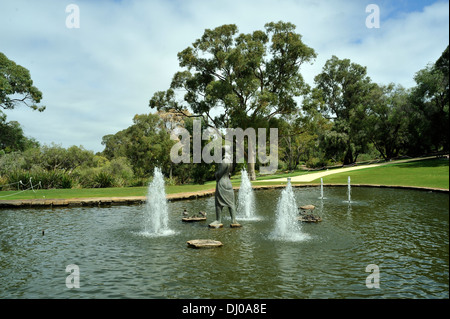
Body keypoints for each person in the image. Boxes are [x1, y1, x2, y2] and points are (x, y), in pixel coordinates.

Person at [209, 145, 239, 228]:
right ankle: (234, 220)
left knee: (218, 202)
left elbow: (219, 173)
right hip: (228, 183)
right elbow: (229, 173)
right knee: (231, 202)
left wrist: (216, 174)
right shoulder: (230, 161)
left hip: (222, 183)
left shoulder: (224, 161)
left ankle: (218, 220)